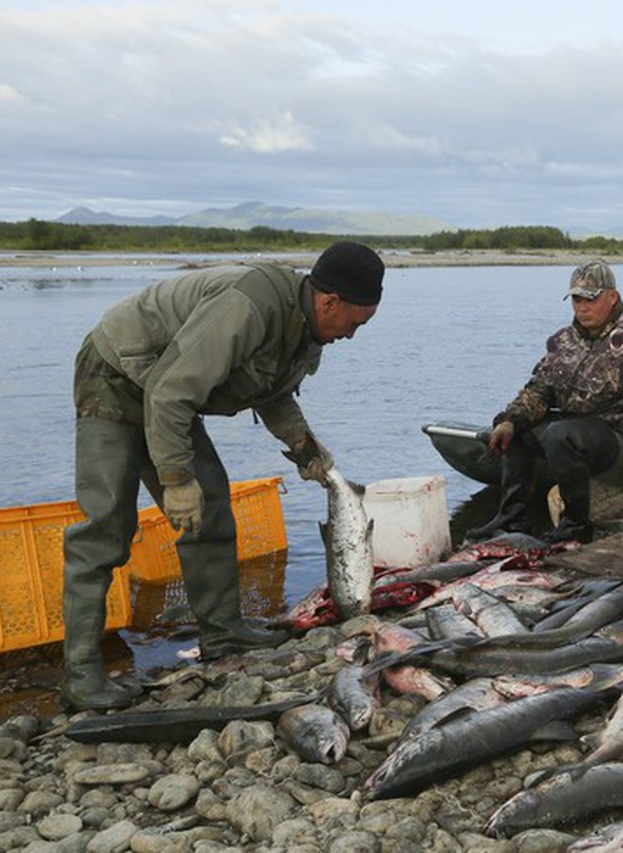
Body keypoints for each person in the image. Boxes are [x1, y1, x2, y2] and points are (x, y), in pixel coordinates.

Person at [60, 241, 385, 711]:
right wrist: (174, 481)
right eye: (356, 324)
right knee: (106, 528)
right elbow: (170, 394)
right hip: (115, 375)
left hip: (166, 391)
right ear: (330, 302)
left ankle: (223, 633)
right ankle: (81, 676)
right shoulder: (248, 305)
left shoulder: (305, 331)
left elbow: (272, 394)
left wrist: (304, 447)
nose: (352, 336)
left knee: (211, 506)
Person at [467, 259, 623, 545]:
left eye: (590, 298)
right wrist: (509, 420)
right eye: (577, 299)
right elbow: (538, 391)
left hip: (621, 443)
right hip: (576, 436)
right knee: (518, 427)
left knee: (560, 434)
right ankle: (512, 520)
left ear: (612, 296)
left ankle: (576, 525)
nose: (583, 307)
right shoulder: (563, 341)